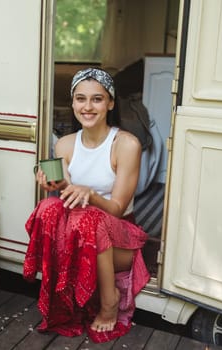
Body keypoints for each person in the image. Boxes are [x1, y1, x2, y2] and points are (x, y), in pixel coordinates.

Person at [23, 68, 150, 343]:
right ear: (72, 103)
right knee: (48, 208)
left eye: (97, 99)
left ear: (110, 103)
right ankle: (60, 298)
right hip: (81, 233)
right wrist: (54, 186)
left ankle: (110, 302)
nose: (88, 107)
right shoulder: (66, 145)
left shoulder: (126, 144)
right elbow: (67, 196)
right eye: (81, 99)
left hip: (119, 240)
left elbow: (116, 208)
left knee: (91, 218)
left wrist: (89, 193)